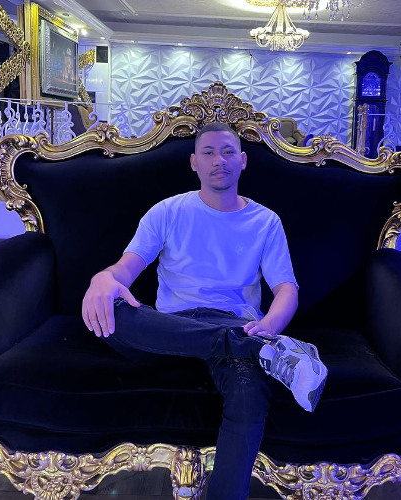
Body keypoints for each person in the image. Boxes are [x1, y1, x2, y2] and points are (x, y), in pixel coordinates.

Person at [82, 122, 327, 500]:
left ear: (242, 161)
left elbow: (286, 289)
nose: (219, 160)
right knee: (108, 309)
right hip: (170, 327)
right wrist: (104, 279)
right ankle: (264, 351)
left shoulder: (265, 221)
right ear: (194, 162)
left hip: (236, 323)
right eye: (209, 152)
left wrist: (268, 326)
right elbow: (125, 270)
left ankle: (257, 346)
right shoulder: (167, 211)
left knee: (249, 393)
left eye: (228, 152)